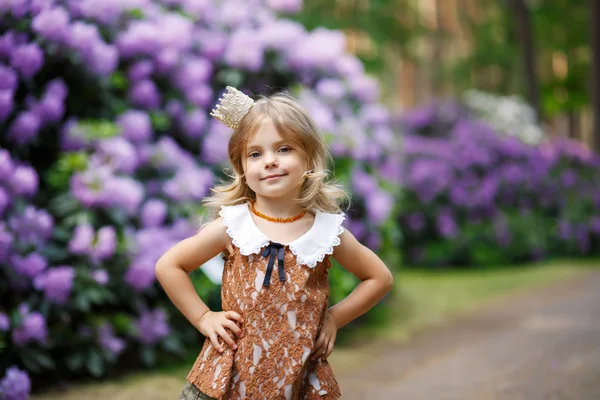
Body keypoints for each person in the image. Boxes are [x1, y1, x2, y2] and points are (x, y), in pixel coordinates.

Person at [155, 87, 394, 400]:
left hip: (297, 380)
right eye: (256, 154)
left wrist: (334, 317)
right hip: (227, 380)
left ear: (308, 157)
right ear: (242, 167)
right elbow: (169, 265)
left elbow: (379, 278)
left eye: (283, 149)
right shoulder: (233, 225)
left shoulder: (326, 231)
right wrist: (203, 317)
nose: (269, 161)